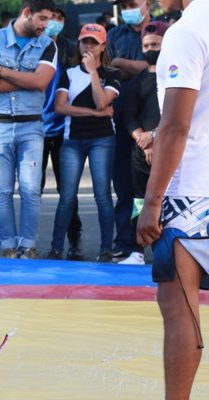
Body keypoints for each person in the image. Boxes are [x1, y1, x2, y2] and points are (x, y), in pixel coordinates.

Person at [137, 0, 209, 397]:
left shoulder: (186, 31)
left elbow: (176, 126)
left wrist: (151, 202)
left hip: (191, 191)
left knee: (180, 312)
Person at [0, 0, 58, 259]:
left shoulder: (49, 45)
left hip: (31, 125)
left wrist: (3, 70)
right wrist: (29, 79)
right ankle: (8, 247)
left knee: (31, 189)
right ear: (27, 13)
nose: (46, 25)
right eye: (42, 19)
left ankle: (28, 245)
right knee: (1, 191)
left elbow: (42, 81)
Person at [47, 23, 120, 262]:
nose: (88, 46)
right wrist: (95, 114)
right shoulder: (68, 72)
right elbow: (60, 107)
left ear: (103, 46)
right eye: (85, 41)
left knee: (102, 196)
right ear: (78, 44)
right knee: (67, 196)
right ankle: (56, 248)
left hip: (102, 140)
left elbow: (101, 102)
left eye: (93, 42)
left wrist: (93, 73)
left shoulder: (111, 73)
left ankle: (106, 249)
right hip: (73, 140)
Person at [119, 21, 169, 265]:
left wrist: (156, 137)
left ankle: (169, 252)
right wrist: (143, 139)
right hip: (141, 153)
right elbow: (128, 114)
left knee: (168, 202)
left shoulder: (174, 78)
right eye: (147, 45)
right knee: (139, 201)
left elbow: (178, 115)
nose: (151, 49)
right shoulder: (137, 81)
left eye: (156, 44)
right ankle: (136, 251)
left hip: (170, 151)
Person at [107, 0, 152, 262]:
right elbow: (111, 73)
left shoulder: (165, 30)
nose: (127, 9)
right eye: (123, 5)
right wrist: (136, 67)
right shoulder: (114, 34)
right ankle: (127, 244)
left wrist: (121, 61)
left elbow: (154, 69)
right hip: (123, 121)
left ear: (147, 3)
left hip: (155, 121)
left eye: (132, 3)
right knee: (125, 188)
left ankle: (166, 245)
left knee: (161, 189)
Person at [40, 4, 83, 260]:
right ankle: (28, 244)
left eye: (59, 17)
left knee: (68, 191)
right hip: (35, 128)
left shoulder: (70, 48)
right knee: (33, 191)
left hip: (65, 129)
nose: (54, 22)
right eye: (49, 17)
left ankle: (74, 240)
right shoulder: (33, 46)